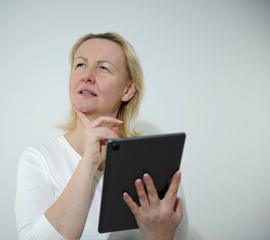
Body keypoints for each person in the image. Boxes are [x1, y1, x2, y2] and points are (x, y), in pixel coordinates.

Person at [15, 32, 189, 240]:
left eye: (103, 68)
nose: (86, 76)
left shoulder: (154, 165)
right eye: (80, 65)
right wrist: (88, 162)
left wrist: (159, 236)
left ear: (128, 90)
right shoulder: (38, 159)